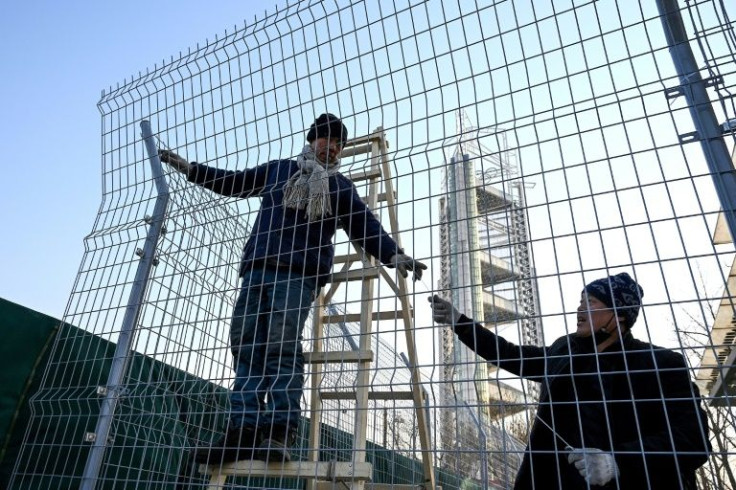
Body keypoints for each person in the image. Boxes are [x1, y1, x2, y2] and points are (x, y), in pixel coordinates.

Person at [160, 113, 426, 464]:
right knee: (245, 347)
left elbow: (365, 224)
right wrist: (191, 169)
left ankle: (279, 430)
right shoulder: (279, 170)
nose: (331, 147)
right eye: (325, 139)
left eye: (338, 144)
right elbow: (234, 182)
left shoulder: (339, 187)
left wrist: (394, 254)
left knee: (281, 347)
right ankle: (243, 430)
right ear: (311, 139)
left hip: (298, 274)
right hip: (257, 270)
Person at [429, 272, 710, 489]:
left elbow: (693, 440)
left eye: (592, 303)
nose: (579, 310)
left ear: (620, 315)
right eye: (580, 302)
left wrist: (617, 461)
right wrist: (460, 323)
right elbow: (510, 355)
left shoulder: (659, 364)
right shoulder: (565, 351)